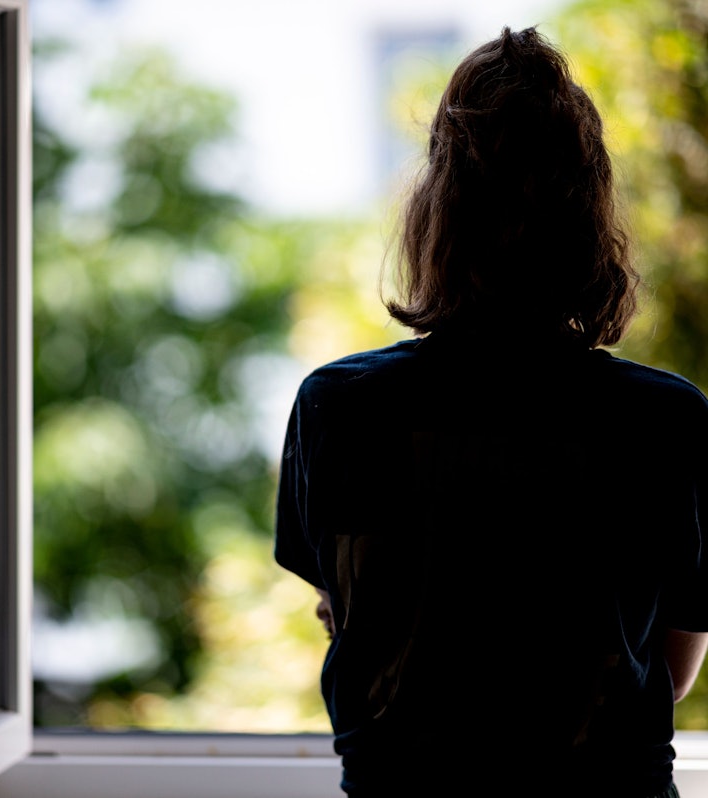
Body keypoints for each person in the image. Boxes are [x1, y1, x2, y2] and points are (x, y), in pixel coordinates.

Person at [274, 25, 708, 798]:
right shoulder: (666, 421)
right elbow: (667, 674)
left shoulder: (338, 408)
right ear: (592, 217)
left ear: (433, 214)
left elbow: (361, 631)